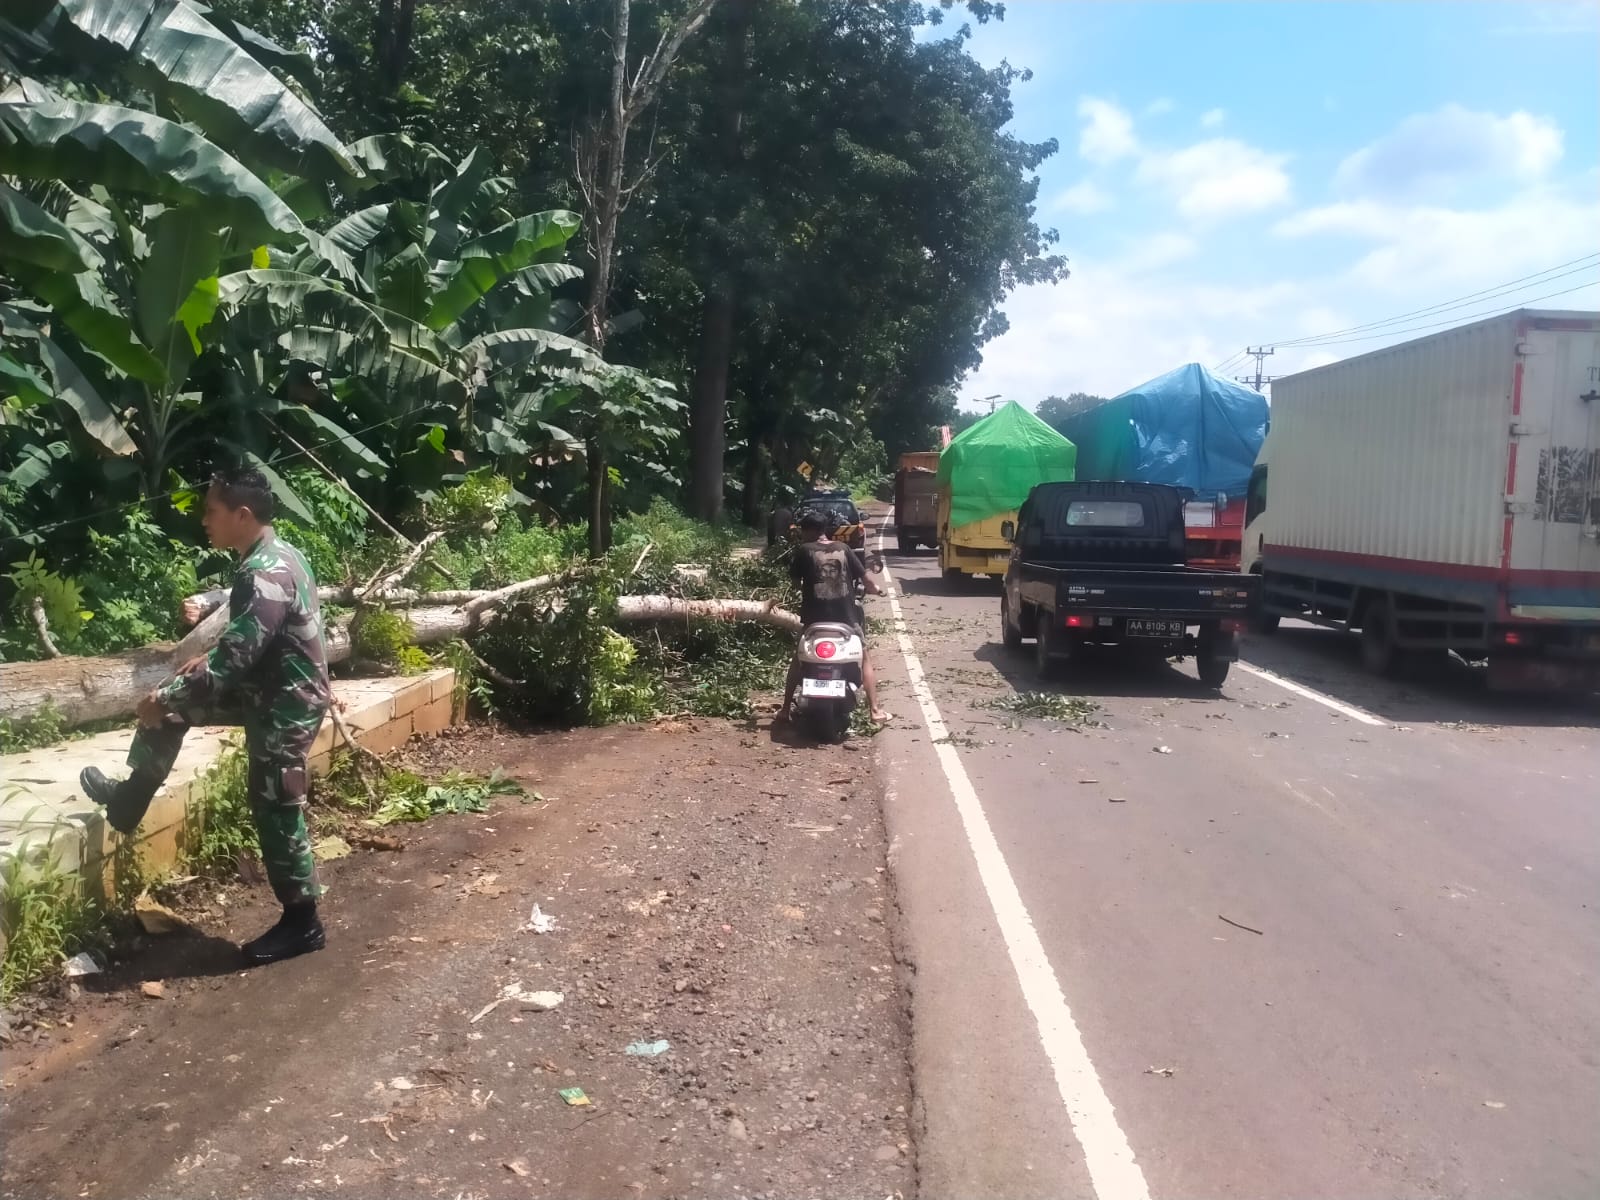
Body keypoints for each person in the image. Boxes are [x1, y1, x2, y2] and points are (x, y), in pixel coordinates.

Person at [79, 466, 331, 966]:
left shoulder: (265, 572)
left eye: (211, 511)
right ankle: (129, 800)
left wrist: (164, 695)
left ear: (242, 515)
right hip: (266, 689)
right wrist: (208, 618)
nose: (203, 520)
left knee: (274, 801)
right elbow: (243, 628)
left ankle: (303, 923)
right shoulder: (270, 556)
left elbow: (232, 659)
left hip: (286, 703)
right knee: (174, 713)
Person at [777, 510, 892, 724]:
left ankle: (785, 709)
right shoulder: (844, 548)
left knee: (798, 660)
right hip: (846, 619)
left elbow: (795, 584)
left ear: (810, 531)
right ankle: (875, 710)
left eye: (803, 531)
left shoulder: (804, 550)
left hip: (813, 620)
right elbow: (866, 581)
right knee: (865, 658)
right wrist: (877, 589)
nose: (802, 535)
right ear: (824, 531)